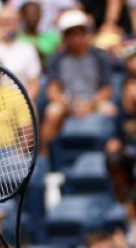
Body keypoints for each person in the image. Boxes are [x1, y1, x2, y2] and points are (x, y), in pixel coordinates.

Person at [40, 10, 115, 153]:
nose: (76, 37)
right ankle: (45, 159)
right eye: (71, 33)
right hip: (67, 103)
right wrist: (67, 105)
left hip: (94, 101)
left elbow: (106, 89)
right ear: (64, 36)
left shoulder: (100, 57)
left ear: (86, 34)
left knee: (110, 111)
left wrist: (90, 104)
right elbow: (53, 89)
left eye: (80, 32)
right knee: (52, 112)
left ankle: (108, 158)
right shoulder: (56, 59)